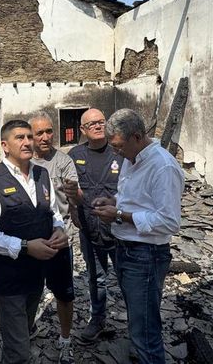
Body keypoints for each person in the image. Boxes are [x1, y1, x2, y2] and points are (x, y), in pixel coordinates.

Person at [92, 109, 183, 364]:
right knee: (138, 321)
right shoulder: (131, 160)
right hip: (126, 250)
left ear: (137, 136)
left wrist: (119, 214)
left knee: (145, 332)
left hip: (146, 256)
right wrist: (113, 201)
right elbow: (136, 201)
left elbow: (169, 221)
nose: (116, 152)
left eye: (119, 146)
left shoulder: (162, 166)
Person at [0, 120, 68, 364]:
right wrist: (26, 246)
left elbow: (53, 212)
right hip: (8, 278)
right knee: (19, 352)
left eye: (29, 137)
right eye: (20, 138)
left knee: (24, 330)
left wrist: (59, 228)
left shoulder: (42, 174)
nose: (27, 142)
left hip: (37, 274)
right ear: (5, 146)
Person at [66, 108, 125, 342]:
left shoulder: (120, 151)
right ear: (83, 130)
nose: (98, 126)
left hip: (121, 229)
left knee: (127, 279)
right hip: (90, 230)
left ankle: (138, 328)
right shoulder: (74, 154)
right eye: (92, 124)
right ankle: (97, 319)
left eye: (102, 122)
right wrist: (72, 209)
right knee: (96, 278)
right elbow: (69, 187)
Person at [28, 113, 79, 364]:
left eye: (49, 131)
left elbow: (74, 198)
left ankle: (66, 339)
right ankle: (28, 328)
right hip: (31, 243)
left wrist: (76, 196)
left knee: (64, 293)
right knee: (30, 290)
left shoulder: (63, 162)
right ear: (31, 135)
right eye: (40, 133)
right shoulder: (23, 162)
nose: (46, 137)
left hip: (59, 241)